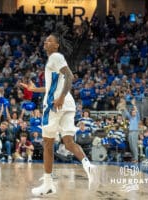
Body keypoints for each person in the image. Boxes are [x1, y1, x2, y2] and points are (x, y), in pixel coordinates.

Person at [20, 33, 96, 196]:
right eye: (45, 40)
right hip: (68, 103)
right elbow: (52, 87)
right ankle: (87, 163)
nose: (45, 42)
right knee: (68, 142)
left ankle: (48, 184)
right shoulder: (54, 61)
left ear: (56, 45)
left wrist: (60, 97)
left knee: (48, 143)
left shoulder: (55, 57)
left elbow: (69, 76)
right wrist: (35, 90)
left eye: (50, 40)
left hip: (56, 104)